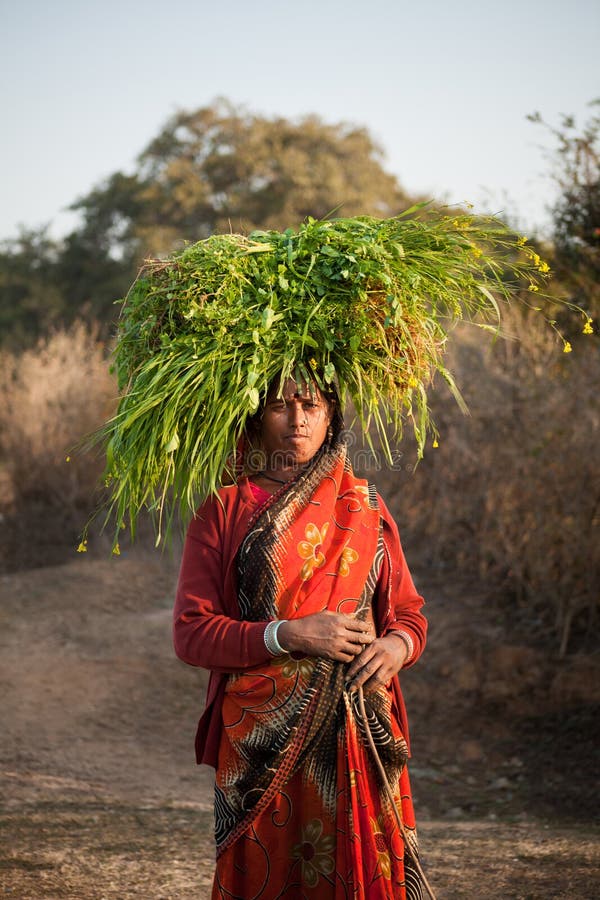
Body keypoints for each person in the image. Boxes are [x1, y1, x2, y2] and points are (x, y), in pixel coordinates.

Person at [173, 373, 428, 899]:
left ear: (331, 413)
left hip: (356, 731)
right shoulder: (223, 510)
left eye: (311, 404)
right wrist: (288, 635)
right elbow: (192, 633)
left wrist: (395, 647)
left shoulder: (367, 506)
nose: (298, 420)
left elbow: (408, 614)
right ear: (254, 417)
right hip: (259, 742)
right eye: (278, 406)